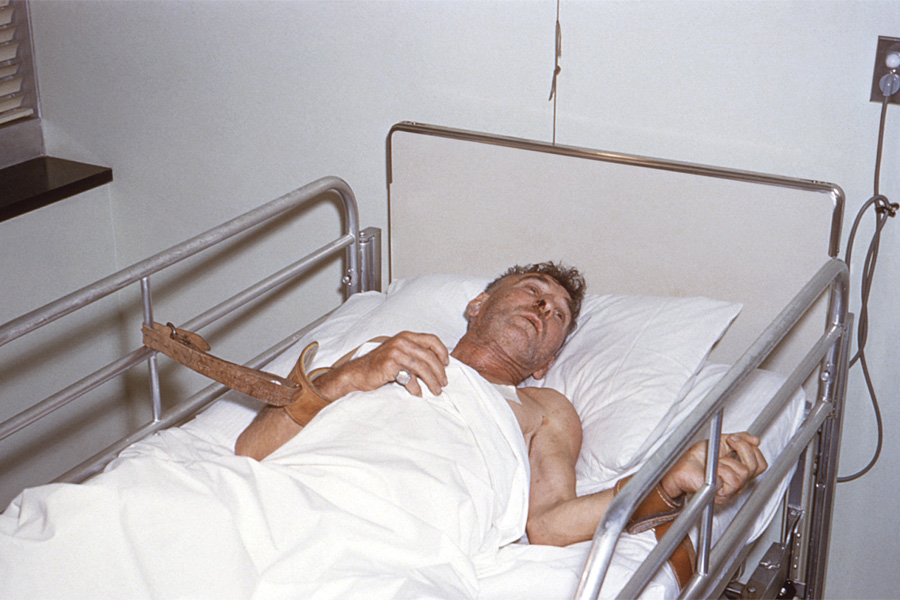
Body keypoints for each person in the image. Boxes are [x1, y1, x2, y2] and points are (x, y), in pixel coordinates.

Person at [235, 262, 766, 550]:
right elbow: (251, 448)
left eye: (558, 315)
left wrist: (663, 482)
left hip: (403, 537)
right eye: (533, 291)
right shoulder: (381, 350)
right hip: (278, 499)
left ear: (547, 361)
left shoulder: (545, 408)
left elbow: (550, 525)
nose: (544, 306)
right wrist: (351, 375)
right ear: (477, 305)